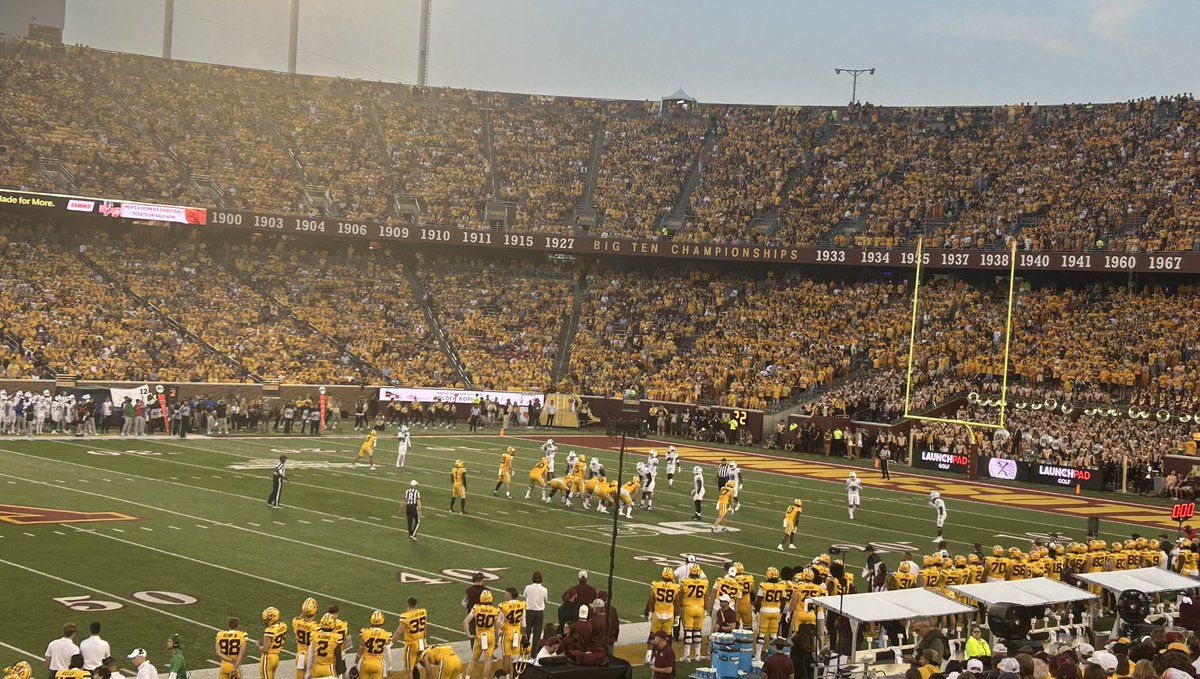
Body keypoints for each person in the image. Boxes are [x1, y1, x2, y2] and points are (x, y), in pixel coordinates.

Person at [644, 568, 681, 663]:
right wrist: (677, 616)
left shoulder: (656, 585)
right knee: (666, 637)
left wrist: (651, 612)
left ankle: (648, 656)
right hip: (669, 615)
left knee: (653, 635)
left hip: (658, 614)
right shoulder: (675, 587)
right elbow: (676, 603)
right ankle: (661, 656)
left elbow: (652, 600)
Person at [463, 590, 499, 679]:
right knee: (488, 660)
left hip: (479, 636)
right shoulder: (495, 610)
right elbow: (497, 627)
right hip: (490, 636)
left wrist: (468, 634)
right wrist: (497, 640)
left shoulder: (476, 608)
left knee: (474, 659)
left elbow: (465, 622)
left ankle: (467, 677)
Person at [756, 567, 789, 659]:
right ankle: (773, 655)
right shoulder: (781, 586)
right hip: (776, 611)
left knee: (761, 634)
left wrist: (756, 611)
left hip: (765, 610)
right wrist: (780, 611)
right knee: (773, 635)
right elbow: (783, 601)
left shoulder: (764, 586)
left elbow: (758, 600)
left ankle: (757, 656)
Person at [680, 563, 709, 662]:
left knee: (688, 632)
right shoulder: (704, 583)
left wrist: (680, 605)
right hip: (700, 609)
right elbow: (706, 597)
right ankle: (697, 655)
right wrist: (705, 609)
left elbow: (680, 594)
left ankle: (686, 656)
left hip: (688, 608)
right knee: (697, 631)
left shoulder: (685, 582)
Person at [394, 597, 428, 677]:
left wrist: (391, 644)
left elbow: (399, 632)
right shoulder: (422, 612)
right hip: (421, 642)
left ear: (407, 604)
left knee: (409, 670)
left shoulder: (406, 616)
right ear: (416, 604)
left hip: (411, 644)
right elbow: (425, 628)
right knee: (419, 663)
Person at [355, 611, 392, 679]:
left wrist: (356, 663)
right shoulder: (386, 635)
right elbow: (388, 653)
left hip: (365, 663)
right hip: (378, 664)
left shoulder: (365, 632)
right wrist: (389, 667)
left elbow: (360, 649)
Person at [498, 589, 526, 677]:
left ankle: (506, 677)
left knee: (506, 657)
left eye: (506, 594)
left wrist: (498, 632)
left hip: (507, 633)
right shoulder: (522, 604)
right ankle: (516, 676)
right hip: (517, 633)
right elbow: (524, 622)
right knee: (516, 657)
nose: (505, 596)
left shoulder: (504, 606)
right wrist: (524, 634)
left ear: (510, 595)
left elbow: (499, 622)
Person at [306, 614, 339, 679]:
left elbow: (310, 656)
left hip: (316, 668)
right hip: (328, 668)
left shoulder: (315, 636)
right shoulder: (336, 637)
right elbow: (339, 656)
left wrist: (308, 671)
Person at [522, 573, 548, 656]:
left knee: (527, 632)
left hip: (529, 611)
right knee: (537, 634)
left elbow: (525, 596)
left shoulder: (528, 587)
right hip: (539, 612)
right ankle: (533, 654)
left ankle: (524, 651)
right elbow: (546, 600)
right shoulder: (544, 589)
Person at [293, 598, 319, 679]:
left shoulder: (296, 622)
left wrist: (305, 611)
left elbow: (298, 618)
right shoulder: (316, 627)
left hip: (300, 655)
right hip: (311, 657)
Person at [259, 608, 287, 679]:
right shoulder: (283, 626)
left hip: (268, 657)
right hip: (276, 657)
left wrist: (258, 646)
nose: (265, 621)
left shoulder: (269, 630)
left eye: (266, 619)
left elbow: (265, 649)